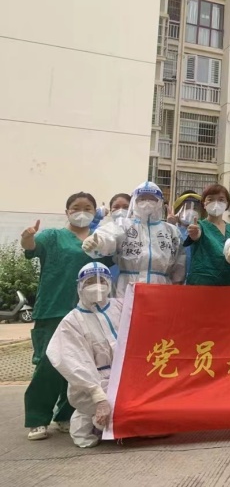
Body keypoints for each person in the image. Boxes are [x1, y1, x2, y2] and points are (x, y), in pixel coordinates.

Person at [20, 192, 112, 441]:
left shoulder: (98, 240)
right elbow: (31, 247)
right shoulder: (53, 236)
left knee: (80, 364)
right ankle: (37, 418)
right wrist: (27, 237)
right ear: (67, 211)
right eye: (76, 207)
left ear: (95, 211)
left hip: (87, 313)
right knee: (48, 363)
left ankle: (65, 414)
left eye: (88, 207)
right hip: (54, 308)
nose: (82, 211)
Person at [45, 263, 121, 448]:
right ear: (80, 286)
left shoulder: (120, 306)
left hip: (125, 376)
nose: (97, 286)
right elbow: (71, 360)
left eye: (101, 281)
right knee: (106, 418)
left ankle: (105, 425)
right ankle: (92, 423)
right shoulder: (72, 321)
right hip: (94, 382)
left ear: (109, 283)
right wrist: (98, 396)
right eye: (90, 281)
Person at [82, 181, 186, 298]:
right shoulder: (123, 225)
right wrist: (98, 243)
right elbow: (108, 235)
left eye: (152, 199)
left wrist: (177, 282)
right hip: (127, 286)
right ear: (134, 201)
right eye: (142, 199)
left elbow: (180, 260)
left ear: (160, 201)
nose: (147, 202)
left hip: (161, 286)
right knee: (127, 310)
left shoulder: (171, 231)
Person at [184, 184, 230, 286]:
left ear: (227, 204)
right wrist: (195, 234)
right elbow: (195, 235)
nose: (216, 203)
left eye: (221, 199)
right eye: (211, 199)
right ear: (204, 204)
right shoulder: (199, 226)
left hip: (229, 284)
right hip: (202, 284)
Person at [166, 190, 202, 277]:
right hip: (175, 280)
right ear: (178, 211)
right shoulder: (173, 230)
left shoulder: (203, 232)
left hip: (196, 279)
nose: (190, 211)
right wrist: (170, 226)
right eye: (186, 207)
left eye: (194, 208)